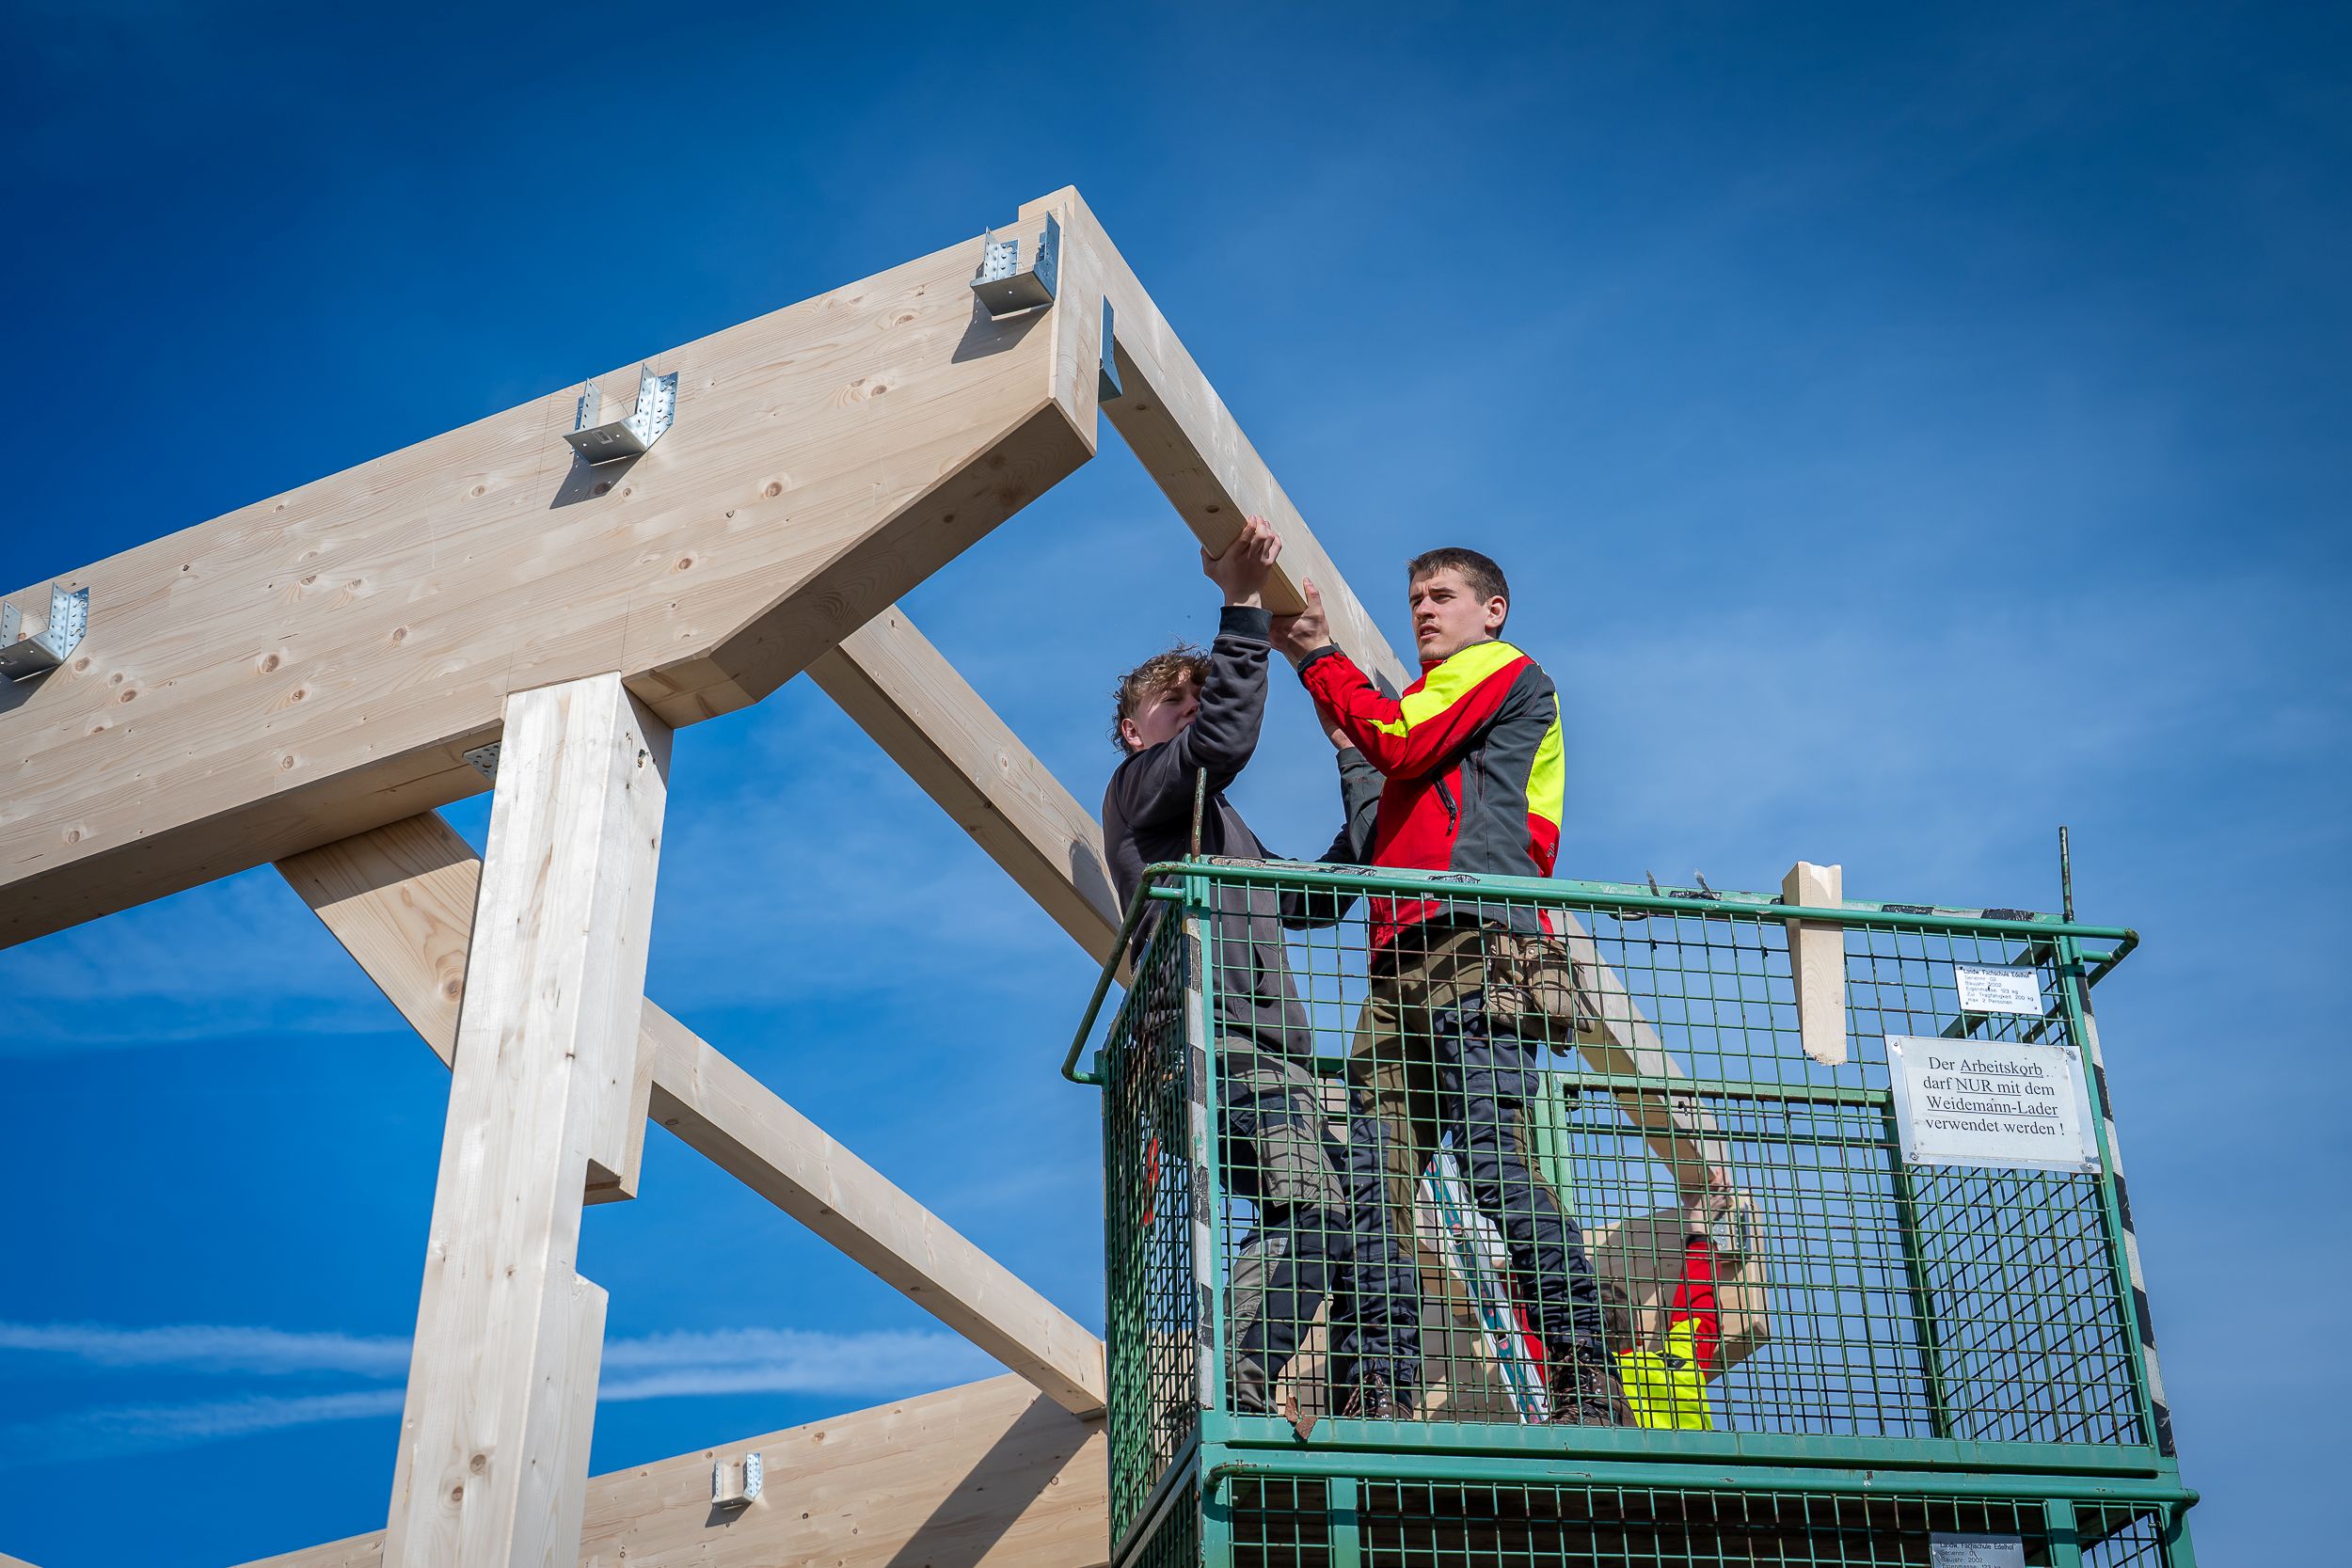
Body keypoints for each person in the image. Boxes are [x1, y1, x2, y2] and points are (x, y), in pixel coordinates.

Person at [1271, 546, 1632, 1425]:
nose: (1424, 611)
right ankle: (1379, 1384)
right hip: (1400, 972)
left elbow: (1397, 738)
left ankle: (1584, 1371)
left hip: (1483, 950)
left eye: (1443, 596)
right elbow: (1344, 870)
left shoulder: (1502, 674)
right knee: (1372, 1180)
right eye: (1415, 599)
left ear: (1493, 609)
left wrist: (1319, 657)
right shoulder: (1416, 759)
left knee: (1489, 1157)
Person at [1101, 516, 1422, 1420]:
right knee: (1316, 1209)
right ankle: (1228, 1383)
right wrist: (1241, 607)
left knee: (1351, 1213)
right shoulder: (1140, 792)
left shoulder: (1221, 828)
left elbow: (1320, 897)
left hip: (1264, 1051)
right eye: (1176, 698)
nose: (1196, 705)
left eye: (1202, 694)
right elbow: (1219, 746)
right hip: (1213, 1043)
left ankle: (1360, 1393)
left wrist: (1359, 761)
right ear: (1133, 729)